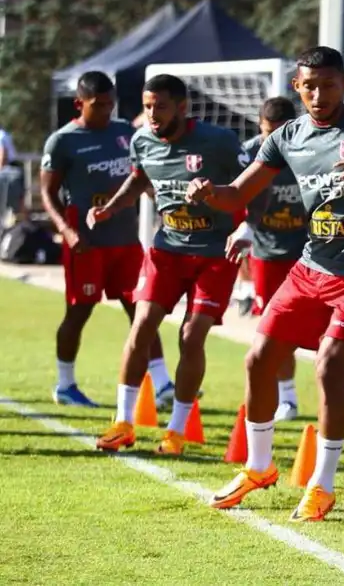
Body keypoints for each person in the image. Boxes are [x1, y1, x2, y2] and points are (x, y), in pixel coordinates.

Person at [186, 46, 344, 521]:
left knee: (329, 367)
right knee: (259, 358)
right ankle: (259, 467)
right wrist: (209, 194)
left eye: (328, 84)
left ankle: (321, 485)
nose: (319, 94)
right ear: (296, 88)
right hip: (310, 268)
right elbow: (239, 193)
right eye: (309, 85)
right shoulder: (287, 136)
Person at [88, 74, 250, 455]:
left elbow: (253, 186)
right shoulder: (142, 140)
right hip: (167, 249)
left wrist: (248, 226)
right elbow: (138, 179)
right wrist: (110, 209)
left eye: (160, 106)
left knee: (191, 336)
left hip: (214, 254)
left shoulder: (220, 142)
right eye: (147, 107)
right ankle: (123, 423)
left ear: (182, 107)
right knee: (141, 325)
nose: (152, 114)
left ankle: (176, 431)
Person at [39, 71, 174, 408]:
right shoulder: (63, 141)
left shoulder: (124, 134)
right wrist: (66, 232)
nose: (105, 112)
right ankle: (65, 385)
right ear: (79, 103)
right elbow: (47, 192)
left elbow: (140, 179)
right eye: (98, 105)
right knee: (79, 311)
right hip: (86, 243)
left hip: (125, 240)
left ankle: (161, 385)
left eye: (110, 105)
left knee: (143, 309)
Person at [225, 96, 306, 422]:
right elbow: (238, 196)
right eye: (266, 130)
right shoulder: (249, 154)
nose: (271, 138)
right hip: (268, 254)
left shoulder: (308, 151)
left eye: (278, 131)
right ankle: (287, 398)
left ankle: (293, 397)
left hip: (308, 254)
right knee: (274, 330)